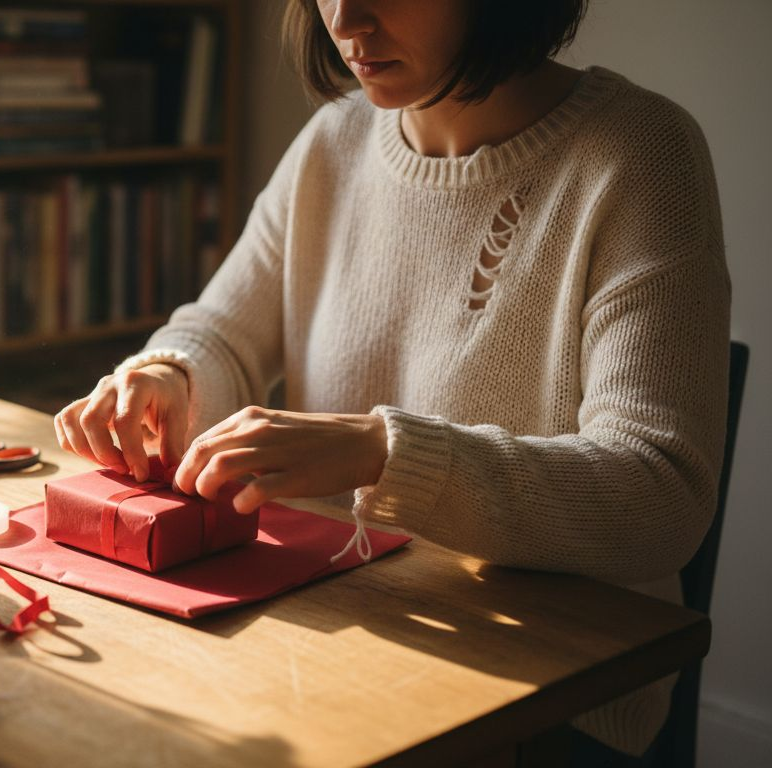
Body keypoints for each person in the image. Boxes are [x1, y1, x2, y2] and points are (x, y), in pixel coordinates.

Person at [53, 0, 729, 762]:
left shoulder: (641, 155)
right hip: (333, 639)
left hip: (553, 704)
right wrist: (168, 374)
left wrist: (383, 454)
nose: (345, 17)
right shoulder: (335, 141)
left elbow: (664, 493)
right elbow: (221, 332)